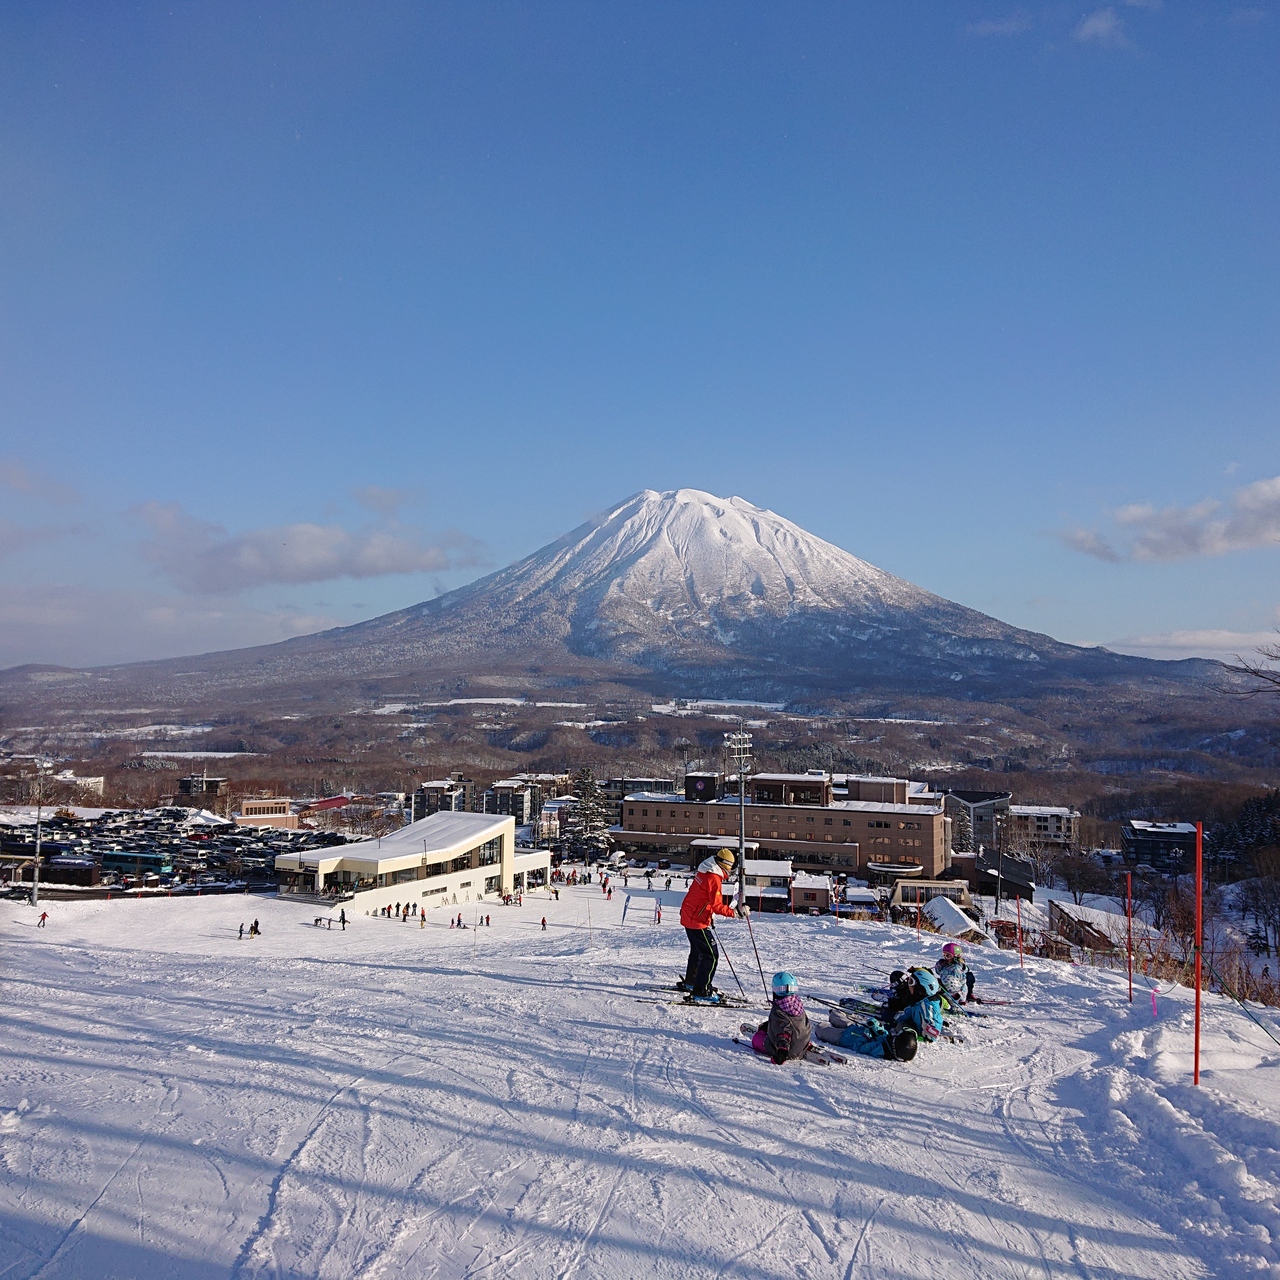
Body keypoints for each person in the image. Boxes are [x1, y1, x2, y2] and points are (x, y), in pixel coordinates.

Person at [678, 848, 747, 1003]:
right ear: (726, 865)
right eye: (731, 867)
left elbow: (703, 899)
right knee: (711, 955)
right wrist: (736, 913)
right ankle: (701, 991)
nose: (732, 870)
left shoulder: (705, 871)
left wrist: (710, 915)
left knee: (698, 952)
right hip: (696, 921)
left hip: (690, 916)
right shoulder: (713, 878)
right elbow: (716, 905)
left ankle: (692, 982)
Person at [749, 972, 812, 1064]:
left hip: (789, 1051)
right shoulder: (797, 1003)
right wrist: (769, 1024)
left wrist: (782, 1053)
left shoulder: (778, 1009)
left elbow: (783, 1032)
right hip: (802, 1042)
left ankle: (782, 1049)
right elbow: (792, 1022)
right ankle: (801, 1044)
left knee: (756, 1039)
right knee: (767, 1028)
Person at [815, 1008, 918, 1062]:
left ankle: (822, 1027)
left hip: (845, 1038)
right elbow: (882, 1033)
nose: (894, 1035)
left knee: (820, 1029)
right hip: (854, 1028)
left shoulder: (878, 1050)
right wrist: (875, 1025)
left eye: (896, 1036)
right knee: (835, 1014)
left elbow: (859, 1047)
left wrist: (867, 1034)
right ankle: (834, 1017)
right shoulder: (888, 1041)